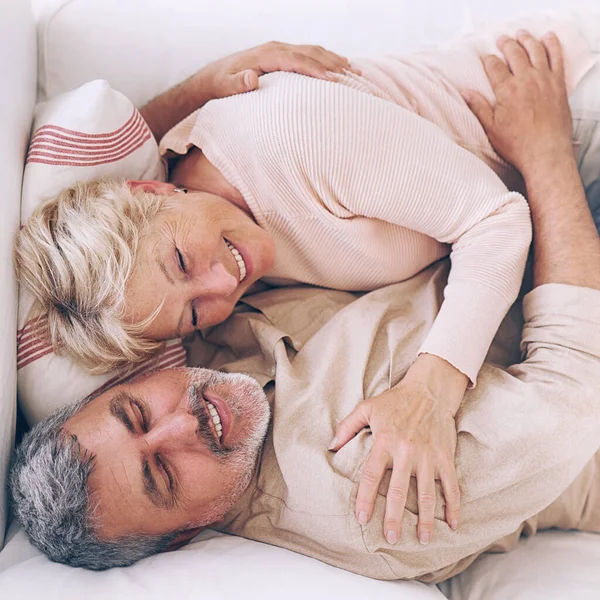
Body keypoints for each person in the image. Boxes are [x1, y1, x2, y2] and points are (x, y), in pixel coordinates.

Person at [10, 32, 600, 578]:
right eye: (161, 473)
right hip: (557, 205)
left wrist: (208, 84)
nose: (181, 422)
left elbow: (137, 193)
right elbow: (577, 382)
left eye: (137, 411)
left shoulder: (204, 338)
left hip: (545, 123)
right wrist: (543, 152)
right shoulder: (371, 495)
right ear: (179, 539)